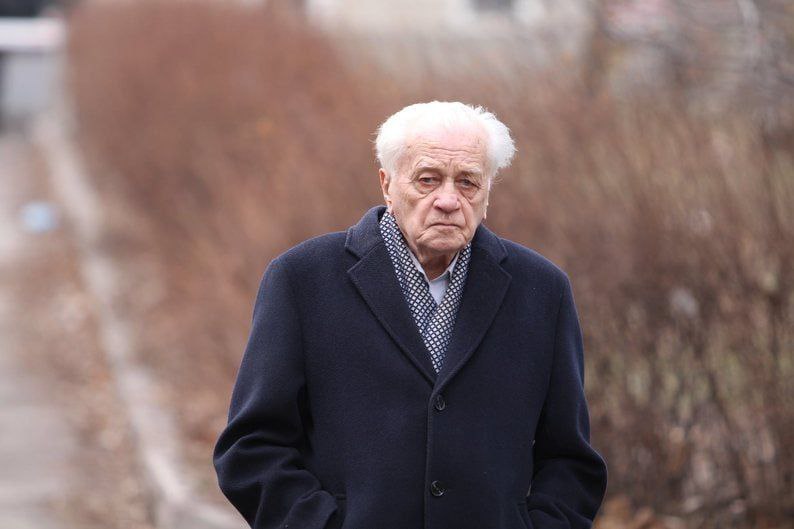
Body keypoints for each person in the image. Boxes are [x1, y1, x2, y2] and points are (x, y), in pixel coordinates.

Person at [213, 101, 608, 529]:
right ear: (387, 184)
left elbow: (569, 461)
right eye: (427, 180)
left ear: (488, 193)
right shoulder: (303, 279)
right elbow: (253, 448)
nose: (448, 201)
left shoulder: (542, 291)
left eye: (468, 182)